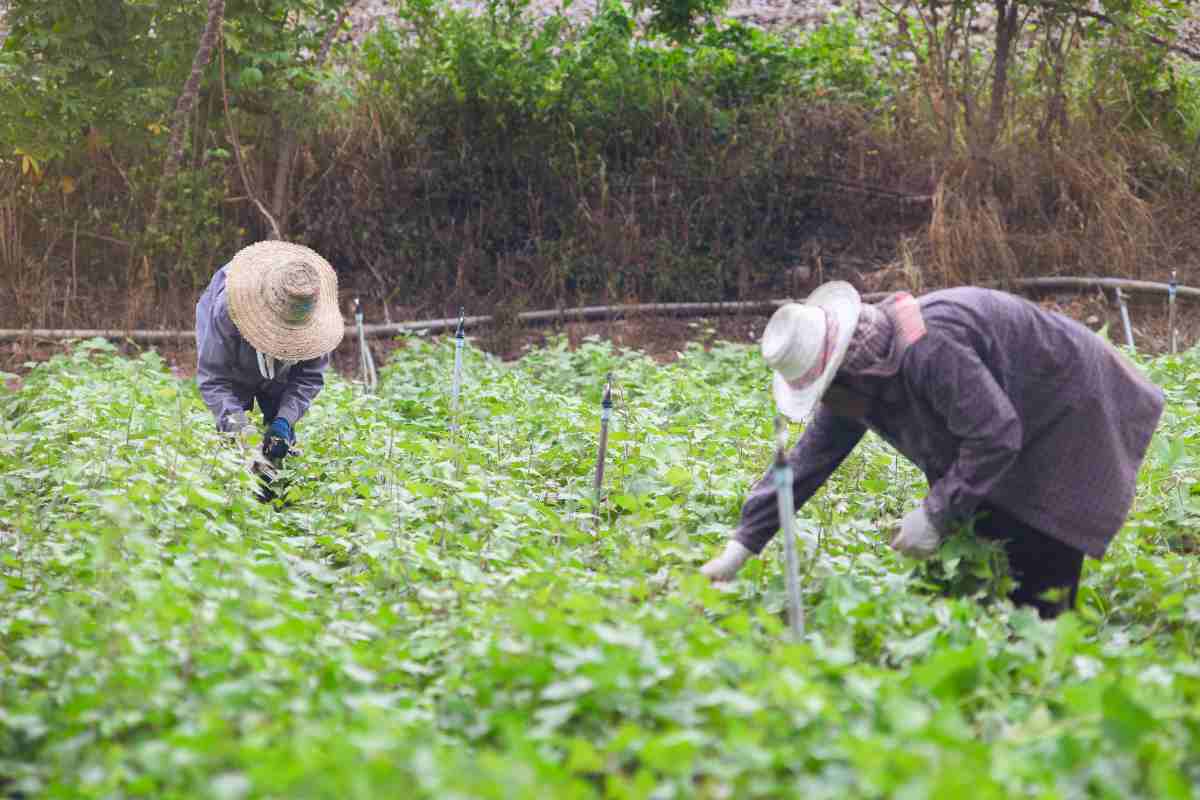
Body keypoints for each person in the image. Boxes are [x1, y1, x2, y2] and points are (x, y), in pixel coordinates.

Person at [700, 282, 1164, 618]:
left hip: (1069, 402)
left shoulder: (931, 348)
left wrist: (936, 514)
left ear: (845, 370)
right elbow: (807, 460)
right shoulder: (860, 375)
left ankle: (1049, 654)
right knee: (989, 521)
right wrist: (744, 542)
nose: (828, 399)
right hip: (1015, 410)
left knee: (1041, 535)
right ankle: (1008, 643)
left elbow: (994, 435)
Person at [195, 240, 344, 498]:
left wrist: (284, 420)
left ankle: (274, 491)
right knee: (234, 439)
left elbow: (308, 377)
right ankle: (236, 498)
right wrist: (240, 428)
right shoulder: (226, 311)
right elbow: (215, 381)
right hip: (236, 365)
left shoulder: (317, 318)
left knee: (279, 439)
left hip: (281, 373)